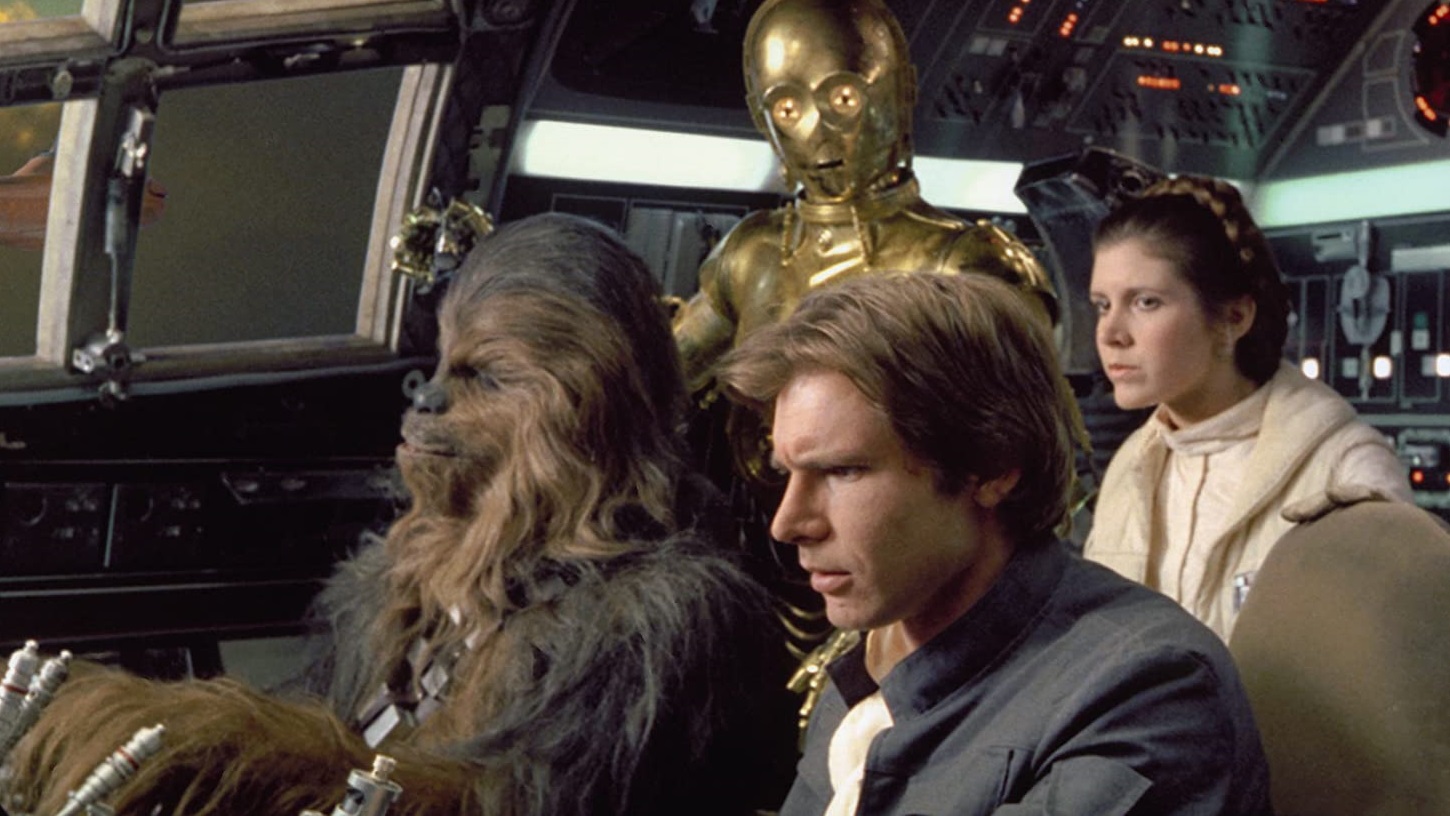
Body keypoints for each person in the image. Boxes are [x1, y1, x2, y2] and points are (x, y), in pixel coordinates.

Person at [4, 213, 794, 816]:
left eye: (483, 376)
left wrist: (195, 738)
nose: (428, 398)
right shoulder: (390, 581)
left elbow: (494, 802)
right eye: (439, 364)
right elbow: (326, 730)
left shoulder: (657, 623)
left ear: (585, 412)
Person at [718, 271, 1271, 815]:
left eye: (843, 471)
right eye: (786, 473)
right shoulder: (868, 660)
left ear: (992, 465)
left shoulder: (1146, 693)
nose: (788, 523)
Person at [672, 0, 1055, 402]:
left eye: (843, 99)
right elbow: (659, 377)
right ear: (761, 118)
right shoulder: (750, 254)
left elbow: (1026, 426)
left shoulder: (968, 266)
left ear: (899, 92)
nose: (817, 130)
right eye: (788, 109)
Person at [1084, 174, 1412, 641]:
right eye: (1102, 305)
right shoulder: (1129, 469)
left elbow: (1393, 663)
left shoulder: (1347, 470)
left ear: (1234, 318)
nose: (1111, 333)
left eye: (1145, 302)